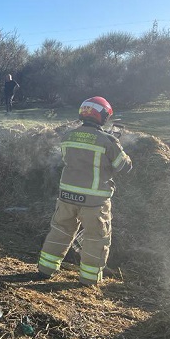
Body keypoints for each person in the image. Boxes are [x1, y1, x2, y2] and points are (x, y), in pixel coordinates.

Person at [38, 96, 132, 286]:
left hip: (66, 196)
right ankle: (89, 280)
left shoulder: (68, 136)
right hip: (94, 200)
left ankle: (45, 269)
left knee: (60, 231)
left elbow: (76, 159)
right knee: (96, 238)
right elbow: (124, 167)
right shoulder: (108, 141)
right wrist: (117, 144)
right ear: (102, 116)